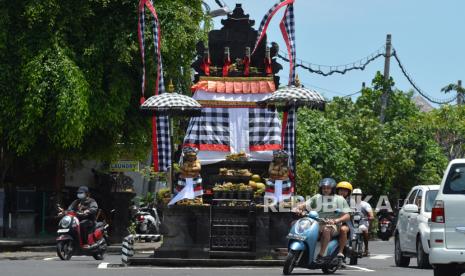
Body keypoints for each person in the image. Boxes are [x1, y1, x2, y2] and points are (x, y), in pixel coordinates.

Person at [294, 178, 351, 264]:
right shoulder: (317, 197)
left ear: (332, 189)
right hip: (315, 223)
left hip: (333, 225)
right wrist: (298, 208)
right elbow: (304, 205)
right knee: (298, 226)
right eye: (324, 188)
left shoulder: (339, 199)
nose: (326, 190)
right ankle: (300, 252)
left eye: (328, 188)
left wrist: (336, 220)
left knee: (326, 230)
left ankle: (321, 255)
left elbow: (347, 215)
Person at [352, 188, 374, 256]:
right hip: (352, 224)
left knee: (364, 230)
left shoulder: (365, 204)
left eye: (358, 195)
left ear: (361, 196)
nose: (356, 196)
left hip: (362, 223)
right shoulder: (349, 204)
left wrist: (369, 218)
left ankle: (366, 249)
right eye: (354, 195)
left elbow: (371, 215)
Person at [335, 181, 353, 259]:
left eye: (345, 190)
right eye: (341, 190)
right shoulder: (332, 199)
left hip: (345, 223)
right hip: (330, 221)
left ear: (348, 192)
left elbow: (352, 213)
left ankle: (340, 253)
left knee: (343, 230)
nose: (343, 192)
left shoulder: (351, 202)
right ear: (337, 190)